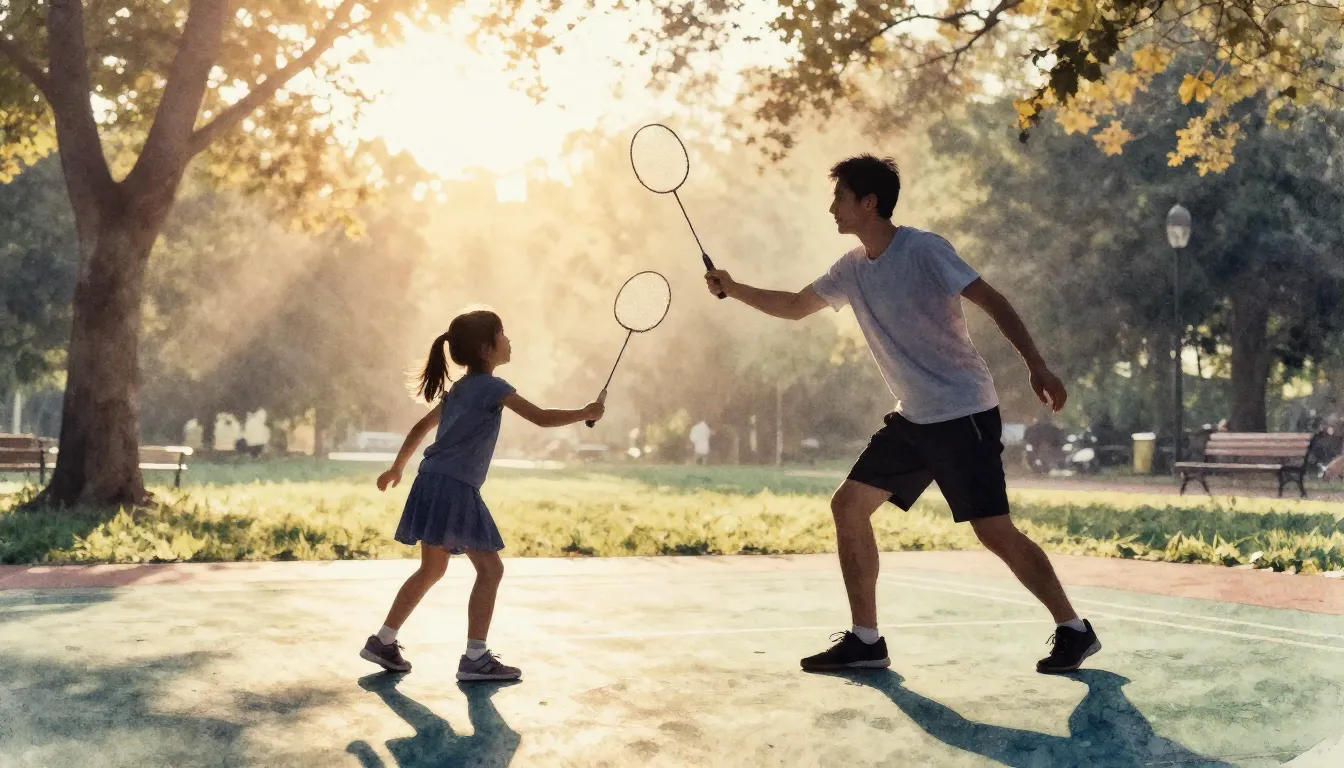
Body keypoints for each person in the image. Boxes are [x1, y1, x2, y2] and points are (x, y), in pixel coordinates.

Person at [703, 155, 1100, 675]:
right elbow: (796, 306)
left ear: (869, 203)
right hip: (914, 418)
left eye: (840, 197)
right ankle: (866, 640)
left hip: (963, 411)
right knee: (848, 507)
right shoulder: (850, 268)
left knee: (994, 531)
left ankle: (1074, 629)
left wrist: (1038, 366)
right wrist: (733, 288)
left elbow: (993, 301)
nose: (832, 208)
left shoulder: (925, 250)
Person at [361, 310, 605, 681]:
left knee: (432, 568)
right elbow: (540, 417)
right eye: (503, 334)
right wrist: (585, 412)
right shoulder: (493, 388)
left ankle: (383, 640)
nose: (510, 340)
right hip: (455, 486)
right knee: (490, 569)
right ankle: (476, 658)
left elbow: (419, 428)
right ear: (486, 348)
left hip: (429, 480)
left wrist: (397, 468)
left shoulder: (457, 390)